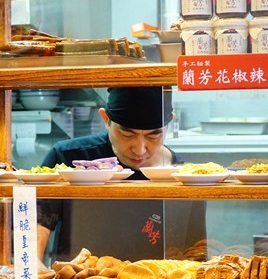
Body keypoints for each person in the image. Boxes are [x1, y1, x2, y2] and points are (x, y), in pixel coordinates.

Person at [37, 87, 204, 263]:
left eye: (153, 136)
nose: (139, 149)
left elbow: (194, 249)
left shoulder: (186, 175)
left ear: (169, 124)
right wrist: (34, 267)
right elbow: (37, 221)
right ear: (106, 119)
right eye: (126, 134)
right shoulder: (69, 158)